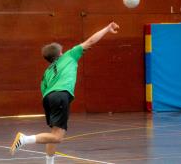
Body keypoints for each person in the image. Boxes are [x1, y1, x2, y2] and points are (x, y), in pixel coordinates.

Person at [10, 22, 120, 164]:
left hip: (48, 98)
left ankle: (49, 162)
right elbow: (91, 41)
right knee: (58, 137)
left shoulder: (47, 72)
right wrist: (107, 29)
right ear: (60, 53)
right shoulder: (70, 56)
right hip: (60, 96)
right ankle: (24, 139)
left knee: (53, 134)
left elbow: (43, 90)